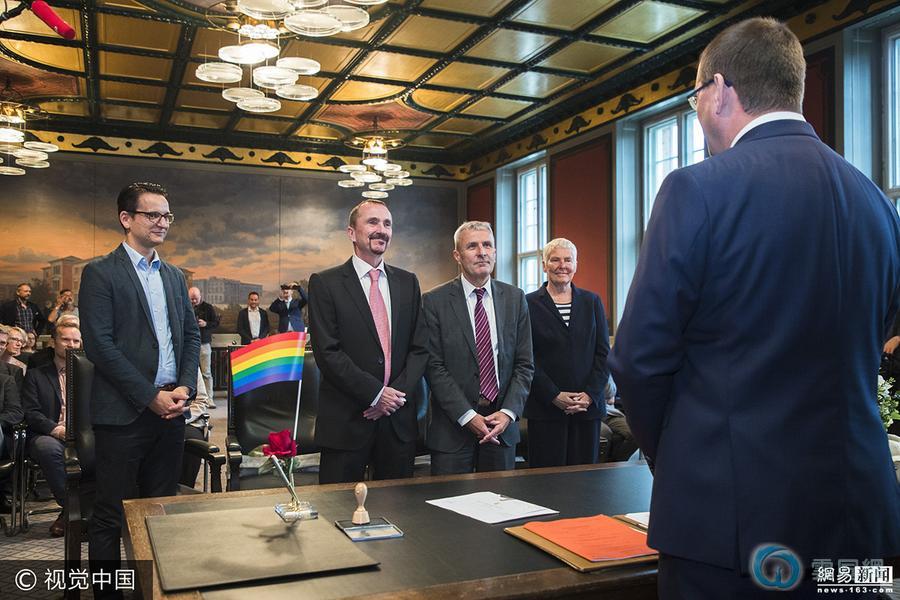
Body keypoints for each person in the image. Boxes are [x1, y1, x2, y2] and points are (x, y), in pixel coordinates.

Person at [607, 18, 900, 598]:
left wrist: (684, 456)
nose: (697, 112)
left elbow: (639, 361)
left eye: (694, 97)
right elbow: (880, 330)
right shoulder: (875, 202)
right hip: (858, 518)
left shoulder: (697, 190)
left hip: (731, 521)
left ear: (719, 90)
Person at [80, 182, 200, 580]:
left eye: (167, 215)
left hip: (172, 411)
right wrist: (149, 396)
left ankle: (153, 589)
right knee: (110, 516)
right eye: (153, 215)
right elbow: (99, 346)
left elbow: (190, 336)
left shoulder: (174, 276)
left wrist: (185, 387)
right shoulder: (100, 273)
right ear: (126, 219)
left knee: (160, 511)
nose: (162, 222)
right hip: (123, 414)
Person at [308, 200, 427, 484]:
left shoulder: (408, 282)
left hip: (397, 421)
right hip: (347, 421)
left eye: (387, 224)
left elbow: (420, 348)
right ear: (351, 232)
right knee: (338, 507)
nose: (381, 230)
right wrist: (375, 394)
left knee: (398, 506)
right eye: (373, 222)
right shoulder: (325, 283)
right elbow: (328, 352)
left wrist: (392, 398)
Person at [423, 221, 534, 475]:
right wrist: (467, 415)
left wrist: (508, 413)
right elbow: (433, 366)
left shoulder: (515, 298)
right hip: (452, 428)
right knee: (450, 500)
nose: (482, 252)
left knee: (501, 499)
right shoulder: (434, 301)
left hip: (501, 428)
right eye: (472, 246)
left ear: (495, 251)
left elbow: (525, 364)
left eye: (487, 245)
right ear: (457, 255)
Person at [524, 238, 609, 467]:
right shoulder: (527, 303)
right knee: (547, 481)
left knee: (584, 480)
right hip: (545, 408)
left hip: (586, 408)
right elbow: (525, 357)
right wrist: (553, 395)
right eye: (555, 260)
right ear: (544, 265)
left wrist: (589, 395)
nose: (562, 265)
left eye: (568, 260)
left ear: (575, 265)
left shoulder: (592, 302)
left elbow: (603, 354)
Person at [21, 321, 82, 537]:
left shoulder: (90, 374)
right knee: (47, 448)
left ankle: (71, 514)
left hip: (84, 434)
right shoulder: (36, 375)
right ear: (54, 342)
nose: (71, 345)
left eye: (76, 341)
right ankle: (75, 509)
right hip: (50, 434)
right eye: (65, 339)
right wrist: (58, 430)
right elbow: (31, 412)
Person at [179, 369, 211, 489]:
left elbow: (201, 401)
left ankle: (185, 489)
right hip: (147, 419)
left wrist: (182, 418)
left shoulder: (190, 364)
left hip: (187, 420)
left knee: (190, 442)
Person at [188, 287, 219, 409]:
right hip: (188, 345)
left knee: (206, 373)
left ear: (200, 296)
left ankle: (209, 398)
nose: (194, 301)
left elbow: (216, 323)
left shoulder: (208, 307)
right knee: (189, 373)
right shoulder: (185, 305)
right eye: (191, 299)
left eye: (196, 299)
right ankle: (192, 399)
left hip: (204, 343)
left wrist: (206, 324)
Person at [599, 377, 637, 462]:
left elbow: (610, 393)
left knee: (635, 432)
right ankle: (601, 466)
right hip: (590, 412)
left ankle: (615, 464)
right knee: (605, 433)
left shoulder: (608, 371)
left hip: (609, 411)